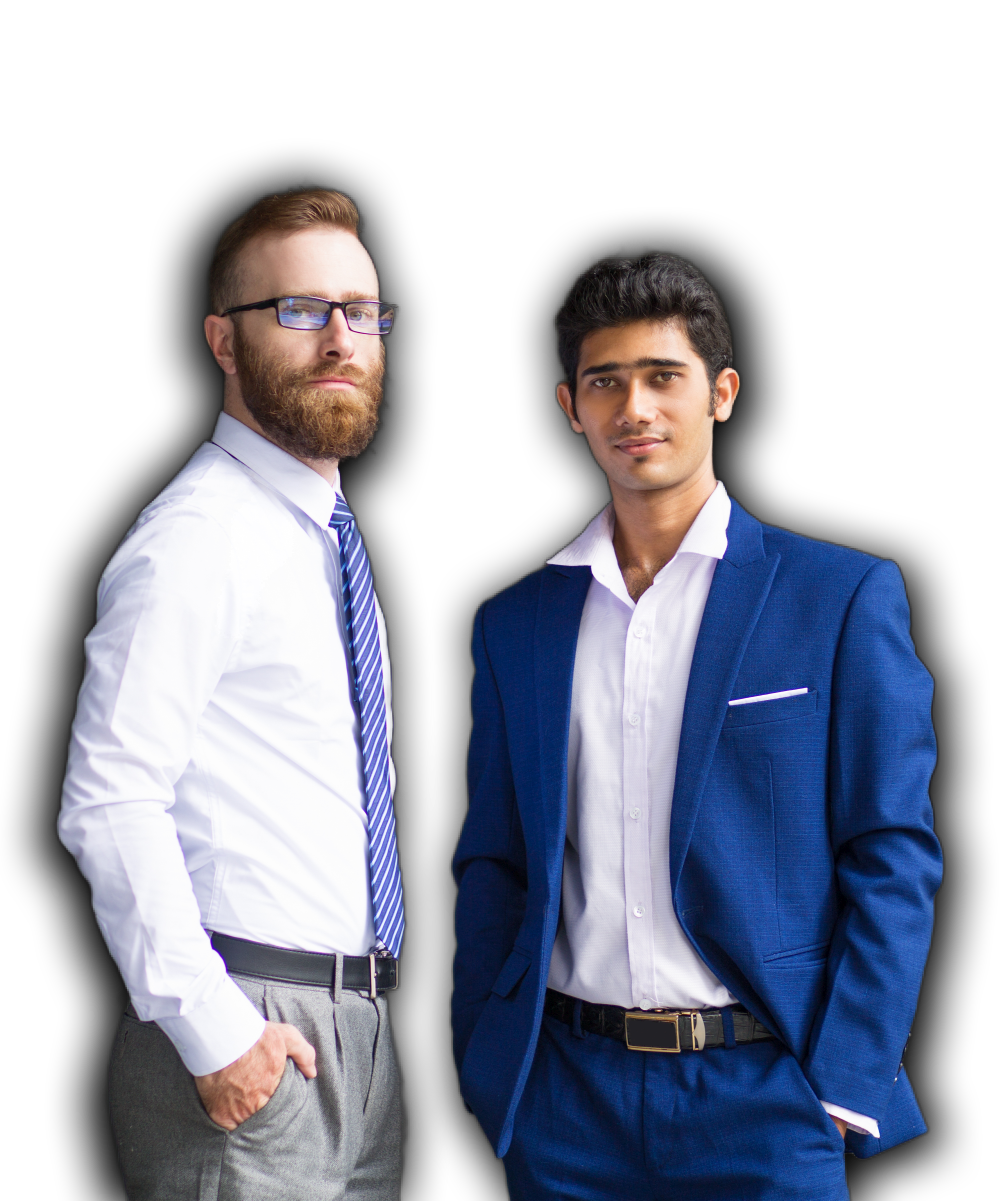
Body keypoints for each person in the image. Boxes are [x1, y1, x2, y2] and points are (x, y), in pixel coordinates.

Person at [451, 253, 941, 1200]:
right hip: (564, 1101)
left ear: (722, 393)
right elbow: (493, 859)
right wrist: (486, 1057)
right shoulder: (514, 623)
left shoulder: (839, 595)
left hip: (767, 1095)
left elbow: (893, 852)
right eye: (606, 382)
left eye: (662, 376)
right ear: (570, 407)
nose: (634, 407)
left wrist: (843, 1084)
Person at [59, 188, 405, 1201]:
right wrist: (216, 1033)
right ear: (223, 339)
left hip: (357, 1029)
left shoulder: (324, 538)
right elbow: (108, 798)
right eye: (299, 309)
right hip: (247, 1022)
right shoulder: (195, 538)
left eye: (362, 311)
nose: (340, 338)